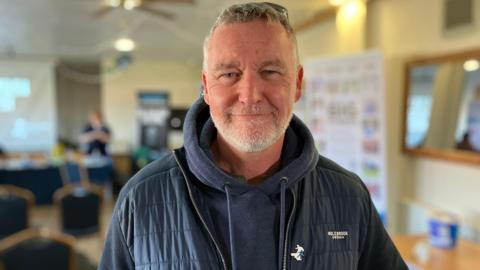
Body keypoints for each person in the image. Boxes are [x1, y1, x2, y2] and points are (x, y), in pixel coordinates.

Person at [99, 2, 407, 270]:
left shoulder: (348, 196)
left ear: (297, 83)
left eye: (270, 71)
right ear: (206, 87)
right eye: (230, 74)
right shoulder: (141, 200)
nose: (250, 95)